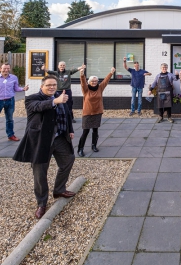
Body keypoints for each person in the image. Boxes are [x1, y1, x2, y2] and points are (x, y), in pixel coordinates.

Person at [13, 75, 76, 219]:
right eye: (48, 85)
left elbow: (66, 114)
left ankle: (59, 189)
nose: (52, 87)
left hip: (59, 138)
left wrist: (70, 130)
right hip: (41, 141)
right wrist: (55, 101)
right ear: (42, 86)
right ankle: (41, 203)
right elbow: (38, 107)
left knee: (68, 160)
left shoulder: (61, 96)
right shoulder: (32, 99)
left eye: (54, 85)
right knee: (40, 173)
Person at [77, 68, 115, 157]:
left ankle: (94, 145)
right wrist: (82, 74)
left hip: (97, 112)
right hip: (87, 113)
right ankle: (80, 148)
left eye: (95, 81)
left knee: (95, 130)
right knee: (85, 132)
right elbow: (83, 83)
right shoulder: (86, 90)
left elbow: (106, 81)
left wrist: (111, 73)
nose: (94, 82)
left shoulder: (100, 88)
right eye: (92, 81)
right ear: (89, 82)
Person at [0, 63, 29, 141]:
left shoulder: (14, 78)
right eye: (4, 68)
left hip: (10, 101)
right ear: (0, 69)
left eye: (8, 68)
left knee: (9, 119)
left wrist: (23, 89)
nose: (6, 70)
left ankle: (11, 135)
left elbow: (16, 88)